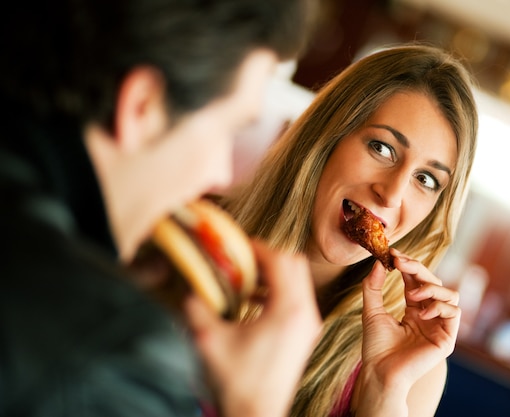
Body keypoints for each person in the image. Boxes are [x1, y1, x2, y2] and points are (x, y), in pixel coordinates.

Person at [0, 1, 321, 417]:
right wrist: (253, 406)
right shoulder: (114, 353)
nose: (222, 176)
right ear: (143, 107)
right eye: (229, 129)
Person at [222, 43, 479, 417]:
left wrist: (382, 390)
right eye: (382, 148)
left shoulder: (416, 374)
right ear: (326, 136)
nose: (392, 194)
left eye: (425, 179)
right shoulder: (195, 251)